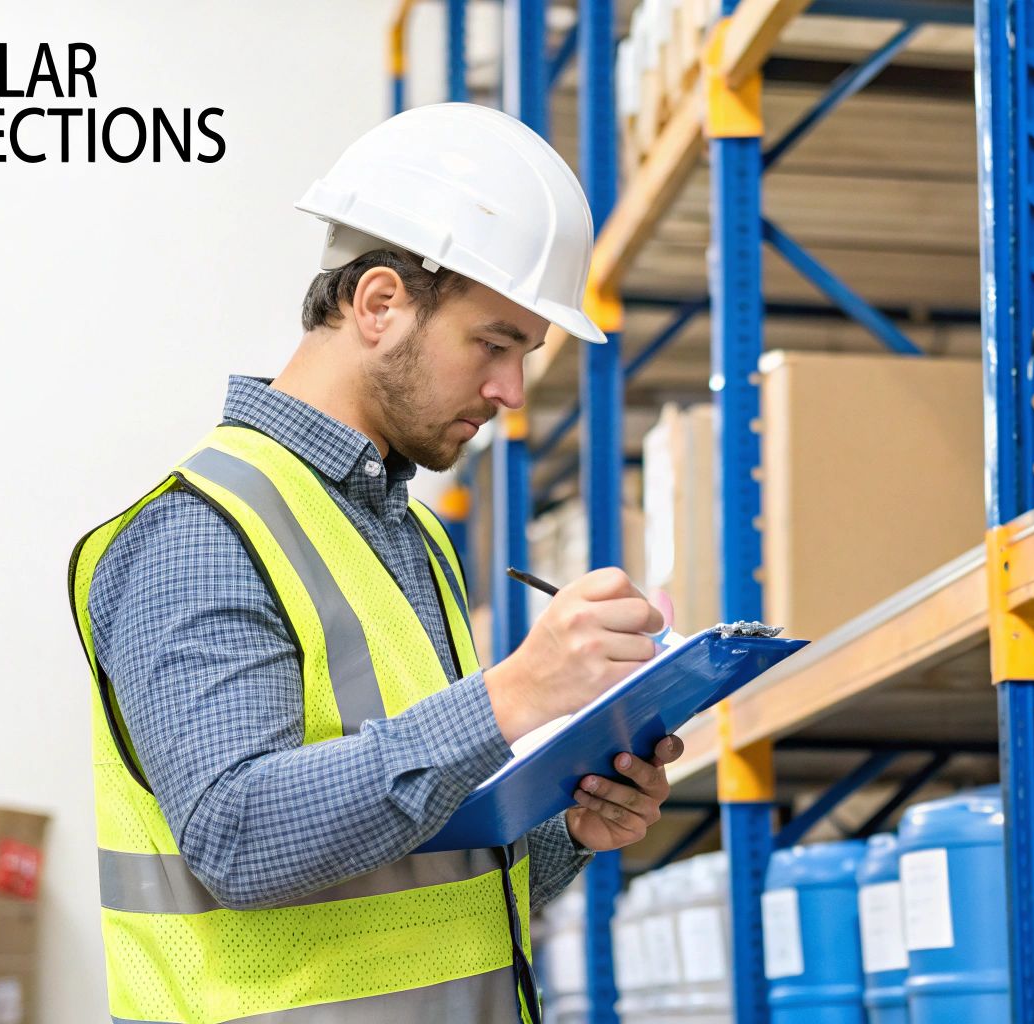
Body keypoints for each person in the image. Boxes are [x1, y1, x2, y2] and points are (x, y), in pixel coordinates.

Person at [67, 103, 680, 1024]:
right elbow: (236, 839)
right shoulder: (199, 533)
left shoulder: (415, 540)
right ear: (381, 304)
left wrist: (567, 836)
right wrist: (511, 698)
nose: (511, 391)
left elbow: (412, 872)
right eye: (495, 343)